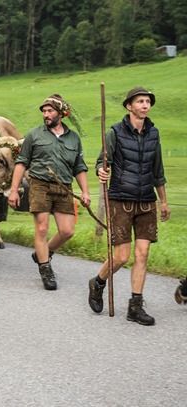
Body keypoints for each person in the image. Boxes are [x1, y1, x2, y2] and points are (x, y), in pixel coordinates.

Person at [88, 87, 170, 325]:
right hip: (121, 200)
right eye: (140, 101)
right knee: (122, 256)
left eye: (148, 102)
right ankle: (98, 282)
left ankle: (135, 306)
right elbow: (102, 161)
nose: (145, 105)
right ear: (129, 106)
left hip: (146, 202)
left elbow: (158, 171)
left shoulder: (153, 133)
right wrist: (102, 171)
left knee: (142, 253)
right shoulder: (114, 132)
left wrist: (163, 201)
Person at [8, 94, 91, 290]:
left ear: (61, 113)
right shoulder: (34, 135)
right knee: (42, 228)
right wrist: (14, 190)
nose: (46, 114)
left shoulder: (73, 138)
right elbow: (21, 163)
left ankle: (43, 253)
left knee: (67, 231)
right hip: (40, 184)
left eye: (50, 111)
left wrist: (85, 192)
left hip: (64, 187)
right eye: (44, 111)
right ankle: (45, 269)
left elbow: (79, 167)